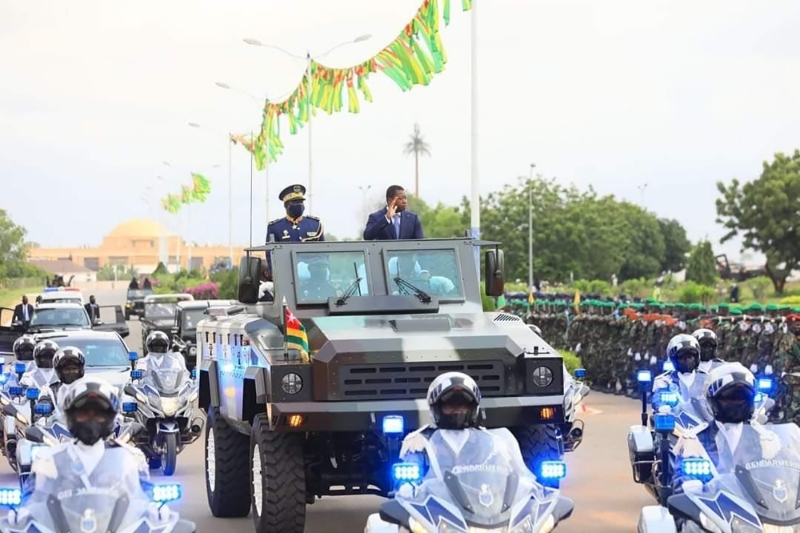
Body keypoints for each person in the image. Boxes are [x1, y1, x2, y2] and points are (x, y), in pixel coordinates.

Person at [7, 378, 173, 526]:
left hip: (115, 526)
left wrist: (154, 508)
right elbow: (31, 496)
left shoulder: (131, 456)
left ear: (110, 418)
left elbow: (145, 493)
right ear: (70, 417)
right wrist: (23, 512)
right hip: (62, 526)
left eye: (99, 414)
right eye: (83, 414)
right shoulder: (48, 459)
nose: (91, 420)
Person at [672, 363, 787, 492]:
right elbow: (681, 481)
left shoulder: (767, 440)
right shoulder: (694, 440)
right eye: (729, 398)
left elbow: (785, 477)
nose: (736, 403)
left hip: (759, 509)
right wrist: (690, 486)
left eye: (742, 398)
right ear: (712, 401)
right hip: (713, 510)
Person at [399, 372, 530, 478]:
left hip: (480, 505)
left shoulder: (490, 441)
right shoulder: (418, 441)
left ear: (472, 408)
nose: (457, 410)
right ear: (436, 407)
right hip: (434, 506)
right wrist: (406, 487)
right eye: (450, 405)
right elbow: (406, 483)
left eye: (462, 405)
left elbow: (508, 474)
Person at [652, 334, 708, 410]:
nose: (687, 361)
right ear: (674, 360)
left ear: (696, 358)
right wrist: (661, 406)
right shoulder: (665, 379)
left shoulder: (706, 379)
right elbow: (657, 397)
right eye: (682, 358)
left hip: (703, 420)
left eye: (690, 357)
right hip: (676, 420)